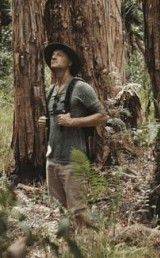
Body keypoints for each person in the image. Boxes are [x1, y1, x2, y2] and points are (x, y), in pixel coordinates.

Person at [37, 42, 107, 227]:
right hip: (52, 162)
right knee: (61, 211)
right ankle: (68, 248)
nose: (54, 56)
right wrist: (47, 122)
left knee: (78, 211)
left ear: (69, 62)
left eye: (59, 54)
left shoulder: (81, 87)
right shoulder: (51, 90)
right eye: (52, 54)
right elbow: (58, 120)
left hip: (74, 161)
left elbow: (102, 116)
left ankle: (85, 249)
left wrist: (73, 122)